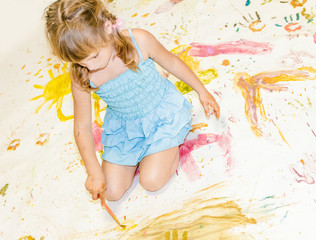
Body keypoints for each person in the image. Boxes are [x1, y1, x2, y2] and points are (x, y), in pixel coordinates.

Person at [44, 0, 220, 205]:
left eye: (93, 57)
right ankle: (145, 154)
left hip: (161, 114)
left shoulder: (139, 41)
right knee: (111, 192)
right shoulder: (81, 73)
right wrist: (93, 173)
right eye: (80, 61)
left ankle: (168, 145)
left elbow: (171, 61)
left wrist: (202, 91)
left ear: (108, 29)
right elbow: (82, 127)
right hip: (125, 126)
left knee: (151, 181)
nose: (89, 66)